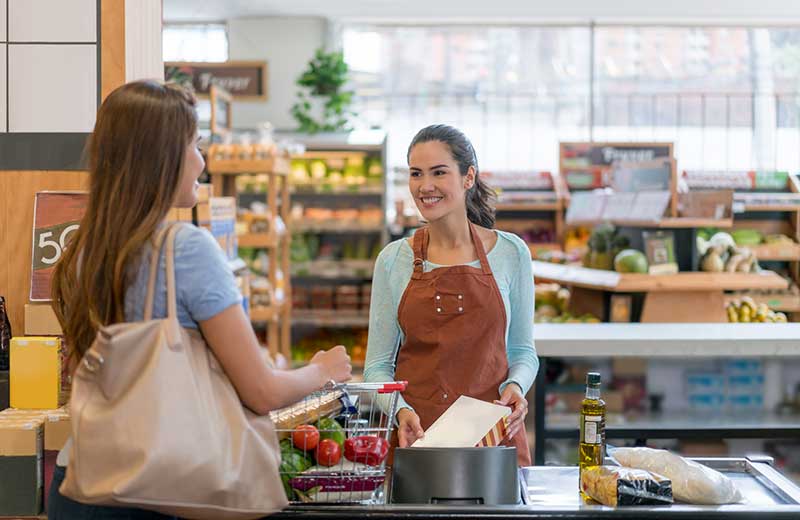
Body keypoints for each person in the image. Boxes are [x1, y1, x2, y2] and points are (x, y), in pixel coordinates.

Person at [48, 80, 352, 519]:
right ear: (163, 157)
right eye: (194, 144)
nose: (201, 160)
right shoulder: (184, 248)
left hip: (82, 478)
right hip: (165, 487)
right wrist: (321, 371)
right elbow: (262, 392)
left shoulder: (82, 252)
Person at [364, 124, 538, 466]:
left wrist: (516, 386)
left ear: (468, 177)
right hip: (419, 440)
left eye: (439, 172)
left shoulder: (512, 253)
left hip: (494, 441)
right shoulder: (393, 260)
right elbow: (377, 368)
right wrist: (400, 412)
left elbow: (522, 351)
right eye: (416, 174)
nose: (425, 186)